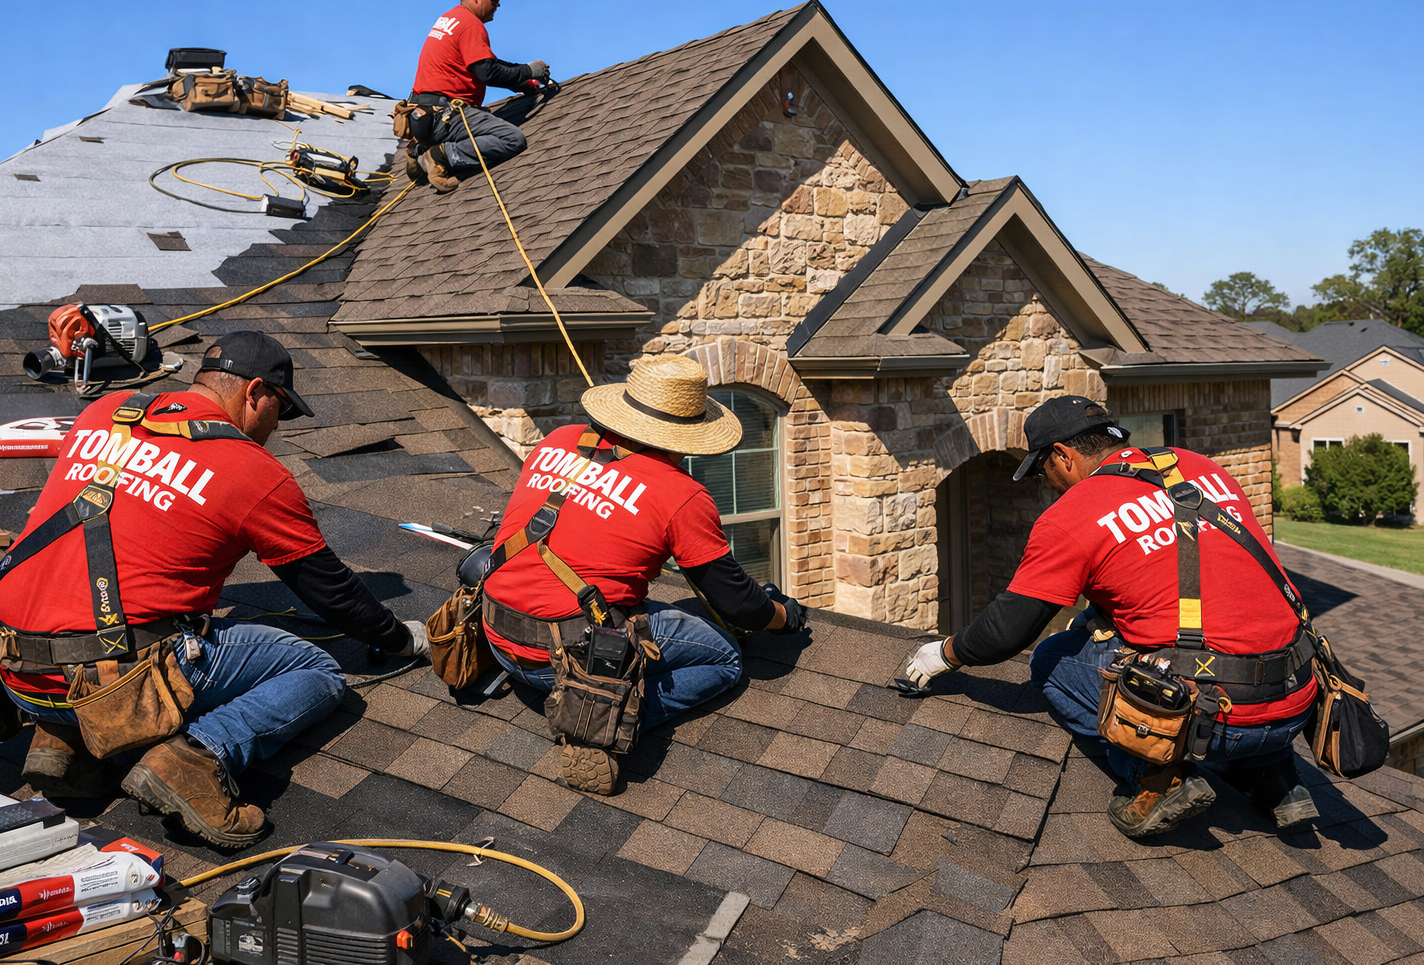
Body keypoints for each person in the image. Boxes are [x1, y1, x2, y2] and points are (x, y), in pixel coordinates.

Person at [0, 332, 426, 848]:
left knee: (106, 613)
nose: (274, 430)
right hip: (102, 678)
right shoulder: (252, 472)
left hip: (12, 667)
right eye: (280, 412)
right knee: (315, 669)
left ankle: (68, 746)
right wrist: (401, 640)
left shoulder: (108, 410)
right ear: (256, 392)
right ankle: (192, 761)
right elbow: (329, 590)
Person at [900, 395, 1320, 839]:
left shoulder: (1073, 515)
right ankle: (1275, 781)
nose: (1049, 483)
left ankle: (1156, 779)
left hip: (1217, 724)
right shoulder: (1199, 467)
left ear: (1063, 455)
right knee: (1228, 644)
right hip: (1295, 705)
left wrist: (943, 654)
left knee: (1051, 662)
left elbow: (1007, 631)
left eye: (1044, 470)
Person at [482, 354, 806, 794]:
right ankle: (596, 720)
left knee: (614, 601)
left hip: (496, 633)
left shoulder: (560, 439)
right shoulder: (681, 494)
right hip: (560, 658)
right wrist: (784, 617)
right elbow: (739, 605)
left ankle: (577, 696)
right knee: (726, 658)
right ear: (689, 433)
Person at [407, 0, 549, 194]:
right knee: (512, 139)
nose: (498, 4)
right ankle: (438, 156)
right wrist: (530, 70)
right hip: (444, 117)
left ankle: (420, 150)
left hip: (423, 117)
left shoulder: (451, 19)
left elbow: (483, 64)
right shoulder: (471, 25)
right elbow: (487, 72)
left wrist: (521, 82)